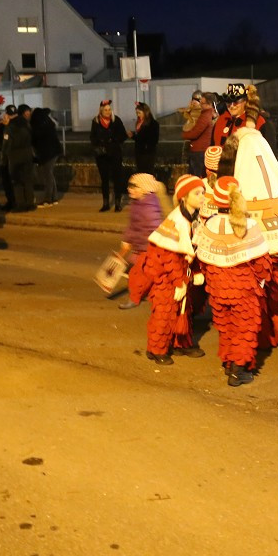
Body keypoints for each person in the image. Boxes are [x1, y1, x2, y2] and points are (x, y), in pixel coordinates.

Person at [230, 125, 278, 350]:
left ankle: (263, 337)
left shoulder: (243, 170)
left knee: (256, 292)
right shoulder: (276, 172)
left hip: (256, 246)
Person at [195, 176, 272, 387]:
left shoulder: (209, 224)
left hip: (218, 288)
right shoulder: (248, 225)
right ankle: (238, 370)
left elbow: (202, 259)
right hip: (244, 288)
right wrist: (261, 283)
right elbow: (262, 263)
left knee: (226, 325)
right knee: (244, 327)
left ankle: (229, 361)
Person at [127, 175, 207, 365]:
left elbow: (192, 250)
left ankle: (181, 343)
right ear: (184, 197)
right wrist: (179, 282)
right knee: (165, 313)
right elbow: (169, 257)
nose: (203, 197)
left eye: (203, 192)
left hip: (181, 274)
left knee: (183, 310)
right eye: (197, 193)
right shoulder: (176, 221)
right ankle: (156, 349)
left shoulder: (194, 218)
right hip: (165, 276)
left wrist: (194, 273)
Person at [115, 173, 168, 309]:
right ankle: (150, 294)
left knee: (136, 274)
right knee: (142, 273)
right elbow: (133, 226)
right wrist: (127, 242)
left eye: (134, 187)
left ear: (144, 189)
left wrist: (130, 243)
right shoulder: (138, 204)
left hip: (147, 248)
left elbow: (151, 229)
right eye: (129, 186)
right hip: (141, 247)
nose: (129, 189)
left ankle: (135, 298)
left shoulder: (149, 207)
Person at [90, 99, 127, 212]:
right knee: (104, 179)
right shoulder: (96, 121)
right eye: (105, 110)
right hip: (102, 155)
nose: (108, 112)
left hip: (115, 153)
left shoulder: (116, 121)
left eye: (109, 109)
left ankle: (117, 203)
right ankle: (105, 203)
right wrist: (99, 143)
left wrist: (114, 140)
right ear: (101, 110)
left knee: (117, 178)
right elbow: (92, 137)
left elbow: (123, 135)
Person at [2, 104, 35, 212]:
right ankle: (30, 203)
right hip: (27, 153)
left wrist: (3, 158)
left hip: (15, 155)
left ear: (7, 114)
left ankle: (21, 204)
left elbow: (6, 143)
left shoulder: (9, 127)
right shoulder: (25, 123)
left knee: (17, 181)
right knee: (28, 180)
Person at [30, 107, 62, 207]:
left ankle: (48, 199)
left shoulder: (38, 126)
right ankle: (54, 197)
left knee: (47, 175)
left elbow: (35, 140)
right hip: (53, 152)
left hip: (47, 153)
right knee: (50, 175)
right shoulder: (48, 123)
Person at [181, 92, 214, 177]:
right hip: (198, 150)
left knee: (197, 176)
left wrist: (185, 135)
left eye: (202, 103)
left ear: (209, 104)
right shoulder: (204, 114)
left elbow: (195, 133)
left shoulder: (205, 115)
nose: (200, 105)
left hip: (200, 151)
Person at [129, 101, 160, 175]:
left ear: (145, 112)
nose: (138, 115)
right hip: (139, 152)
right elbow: (140, 137)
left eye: (139, 113)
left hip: (147, 153)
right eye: (137, 113)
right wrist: (133, 135)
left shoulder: (153, 124)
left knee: (148, 172)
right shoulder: (140, 122)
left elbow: (149, 138)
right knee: (140, 172)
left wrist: (133, 136)